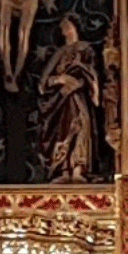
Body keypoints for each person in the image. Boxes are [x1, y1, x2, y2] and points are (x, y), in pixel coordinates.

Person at [37, 18, 101, 181]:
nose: (66, 30)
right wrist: (60, 79)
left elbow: (92, 73)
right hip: (60, 101)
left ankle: (78, 168)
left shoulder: (85, 49)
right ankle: (63, 169)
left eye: (68, 26)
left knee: (80, 126)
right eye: (63, 28)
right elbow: (44, 82)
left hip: (79, 97)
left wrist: (79, 83)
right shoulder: (59, 53)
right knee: (63, 130)